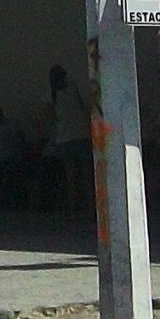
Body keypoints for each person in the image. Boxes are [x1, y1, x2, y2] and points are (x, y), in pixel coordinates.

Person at [47, 64, 92, 211]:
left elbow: (50, 118)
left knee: (71, 177)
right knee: (86, 176)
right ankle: (91, 208)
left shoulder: (51, 95)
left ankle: (74, 210)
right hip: (81, 135)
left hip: (65, 138)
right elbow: (83, 107)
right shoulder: (73, 87)